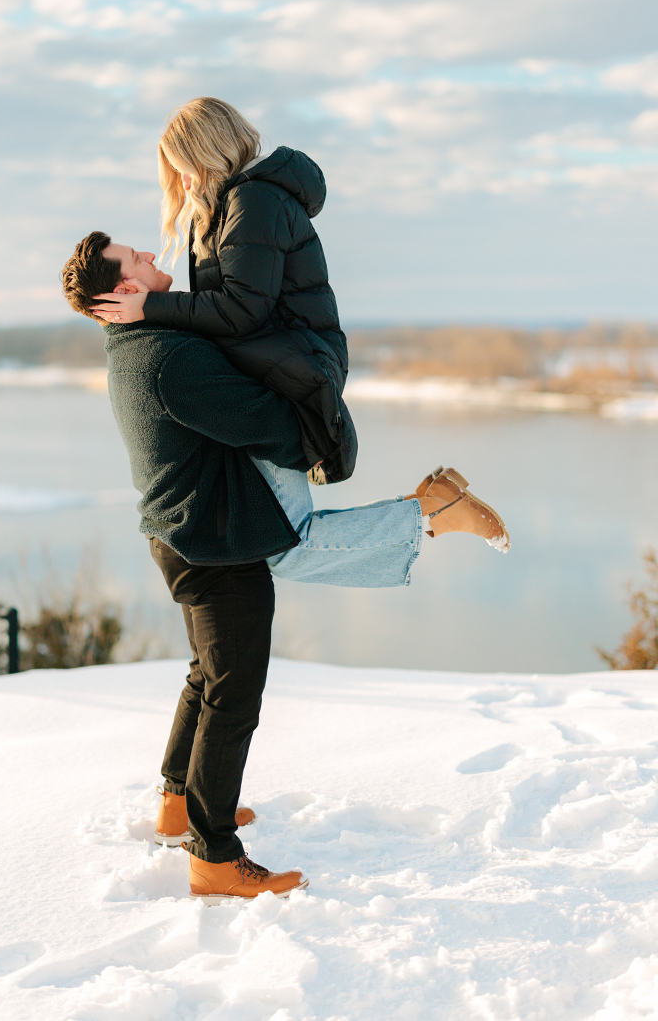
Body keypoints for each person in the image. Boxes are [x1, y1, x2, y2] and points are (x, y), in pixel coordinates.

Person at [60, 235, 511, 904]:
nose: (157, 259)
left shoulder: (134, 347)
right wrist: (307, 403)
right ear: (124, 290)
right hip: (217, 544)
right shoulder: (167, 357)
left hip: (188, 535)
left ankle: (178, 803)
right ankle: (213, 854)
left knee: (208, 674)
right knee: (232, 693)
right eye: (139, 260)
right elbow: (263, 423)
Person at [87, 96, 356, 486]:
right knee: (291, 543)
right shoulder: (230, 204)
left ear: (206, 154)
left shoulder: (254, 200)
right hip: (276, 364)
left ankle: (429, 513)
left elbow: (242, 310)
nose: (182, 182)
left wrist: (150, 306)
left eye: (183, 169)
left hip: (296, 366)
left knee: (294, 545)